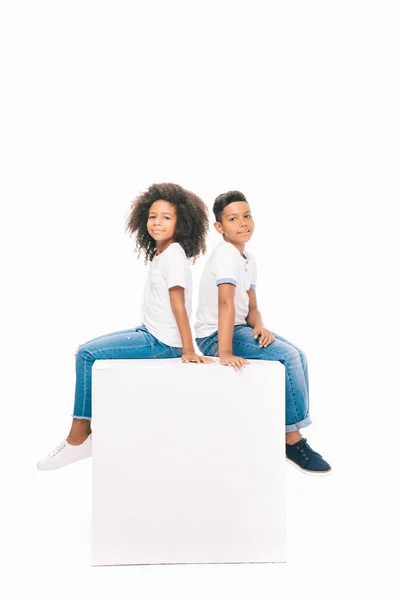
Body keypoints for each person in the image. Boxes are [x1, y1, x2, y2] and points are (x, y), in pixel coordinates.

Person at [37, 182, 213, 471]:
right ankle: (81, 436)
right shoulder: (163, 253)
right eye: (153, 216)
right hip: (150, 332)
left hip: (163, 342)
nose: (157, 222)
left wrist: (188, 348)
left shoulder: (174, 255)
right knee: (86, 349)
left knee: (87, 356)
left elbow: (178, 304)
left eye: (166, 217)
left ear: (181, 223)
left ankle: (78, 437)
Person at [194, 190, 331, 474]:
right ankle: (292, 441)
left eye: (247, 216)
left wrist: (259, 326)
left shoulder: (248, 258)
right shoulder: (225, 255)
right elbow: (225, 302)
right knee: (288, 357)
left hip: (240, 328)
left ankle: (288, 433)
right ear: (220, 227)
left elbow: (251, 306)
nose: (243, 223)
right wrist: (225, 351)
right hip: (215, 336)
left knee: (298, 355)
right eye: (233, 219)